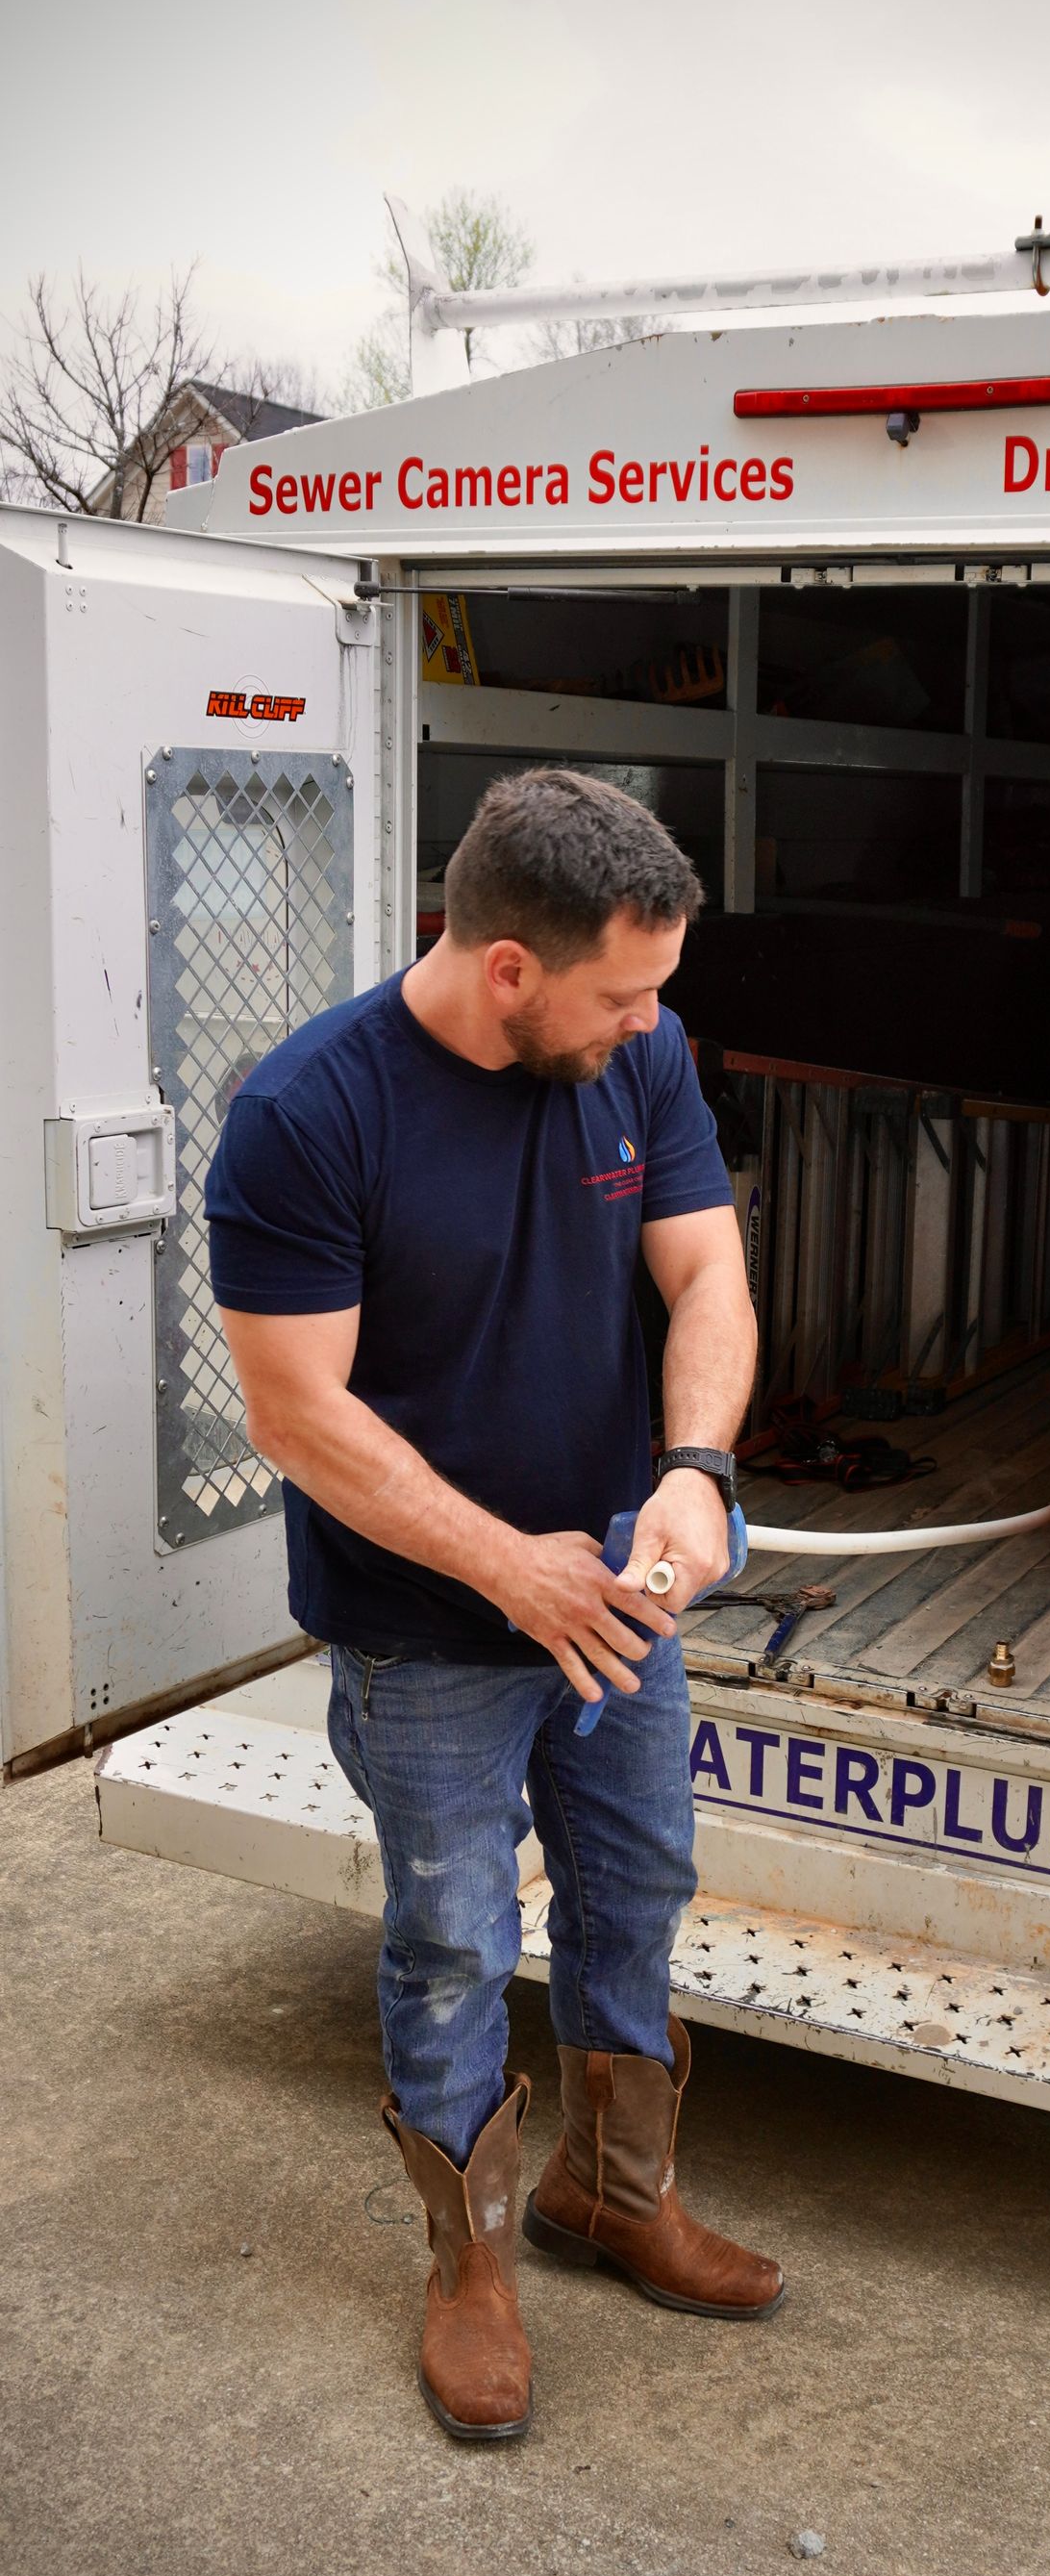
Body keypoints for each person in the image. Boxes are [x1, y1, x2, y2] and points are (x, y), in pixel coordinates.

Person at [207, 765, 780, 2444]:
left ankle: (611, 2196)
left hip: (618, 1592)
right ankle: (467, 2266)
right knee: (454, 1936)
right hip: (434, 1630)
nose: (650, 1022)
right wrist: (507, 1565)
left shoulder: (644, 1055)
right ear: (507, 967)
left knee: (638, 1885)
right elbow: (297, 1412)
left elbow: (707, 1272)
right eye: (621, 990)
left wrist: (694, 1466)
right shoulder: (310, 1113)